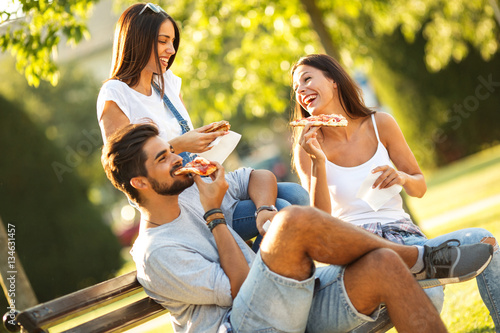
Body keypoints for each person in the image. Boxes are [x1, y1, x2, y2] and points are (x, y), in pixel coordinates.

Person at [101, 122, 493, 333]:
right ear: (139, 182)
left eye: (171, 151)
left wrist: (265, 210)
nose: (178, 159)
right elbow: (239, 290)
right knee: (296, 223)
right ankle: (422, 259)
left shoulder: (189, 190)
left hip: (288, 308)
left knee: (385, 266)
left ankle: (411, 261)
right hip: (244, 325)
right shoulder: (157, 253)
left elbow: (256, 176)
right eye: (163, 158)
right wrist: (215, 215)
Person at [291, 53, 500, 330]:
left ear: (333, 81)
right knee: (421, 298)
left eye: (307, 79)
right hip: (357, 250)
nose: (301, 90)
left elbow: (420, 186)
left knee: (486, 243)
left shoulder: (380, 124)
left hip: (405, 238)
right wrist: (317, 160)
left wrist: (401, 177)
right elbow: (320, 220)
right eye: (296, 89)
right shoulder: (306, 148)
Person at [95, 3, 309, 249]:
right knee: (284, 211)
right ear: (138, 39)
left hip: (205, 183)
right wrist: (179, 145)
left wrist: (205, 138)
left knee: (297, 195)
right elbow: (124, 168)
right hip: (182, 204)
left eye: (172, 42)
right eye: (163, 41)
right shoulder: (116, 93)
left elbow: (187, 144)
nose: (171, 49)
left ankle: (255, 260)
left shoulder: (167, 84)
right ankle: (255, 273)